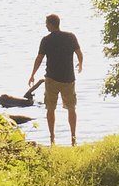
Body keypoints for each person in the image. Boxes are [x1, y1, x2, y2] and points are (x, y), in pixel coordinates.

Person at [28, 13, 83, 146]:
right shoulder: (70, 37)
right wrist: (80, 64)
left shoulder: (46, 40)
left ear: (51, 24)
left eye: (47, 23)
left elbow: (39, 58)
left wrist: (32, 74)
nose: (46, 26)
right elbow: (79, 53)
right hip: (68, 79)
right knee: (71, 108)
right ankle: (73, 138)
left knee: (50, 108)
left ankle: (52, 139)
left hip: (51, 79)